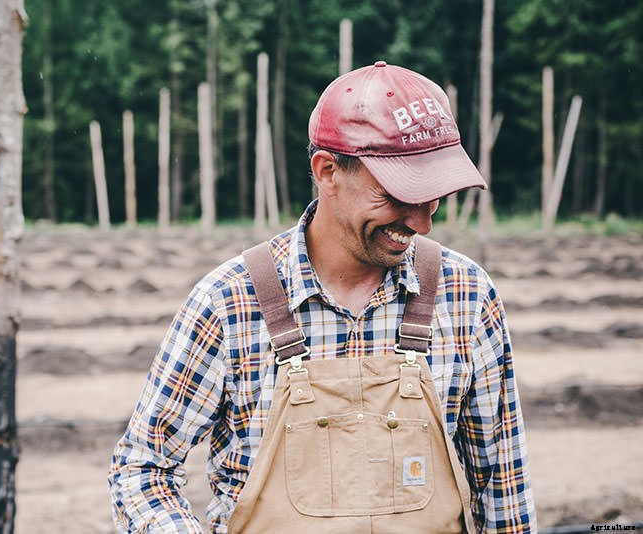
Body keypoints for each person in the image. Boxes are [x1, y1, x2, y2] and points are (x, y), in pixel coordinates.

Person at [109, 61, 536, 533]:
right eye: (399, 195)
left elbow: (502, 485)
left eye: (433, 197)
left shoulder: (465, 296)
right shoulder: (230, 303)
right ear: (327, 170)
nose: (422, 223)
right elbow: (142, 470)